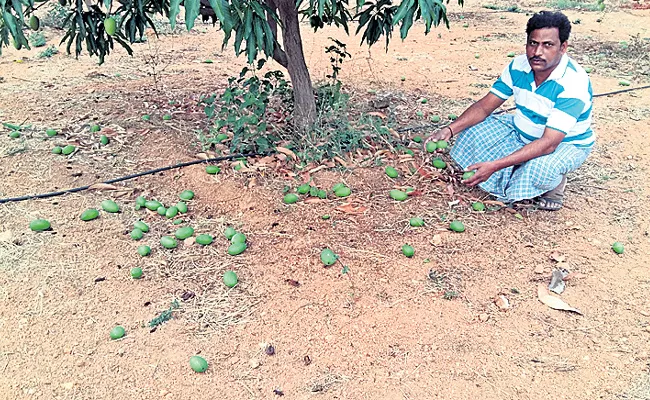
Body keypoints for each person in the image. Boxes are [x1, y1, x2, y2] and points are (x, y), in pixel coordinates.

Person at [425, 10, 594, 211]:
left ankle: (554, 185)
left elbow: (548, 144)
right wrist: (449, 130)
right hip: (522, 133)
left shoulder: (572, 83)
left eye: (547, 45)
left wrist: (495, 165)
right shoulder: (518, 66)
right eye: (533, 43)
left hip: (564, 144)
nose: (537, 52)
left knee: (541, 170)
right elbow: (484, 106)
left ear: (563, 47)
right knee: (472, 132)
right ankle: (518, 169)